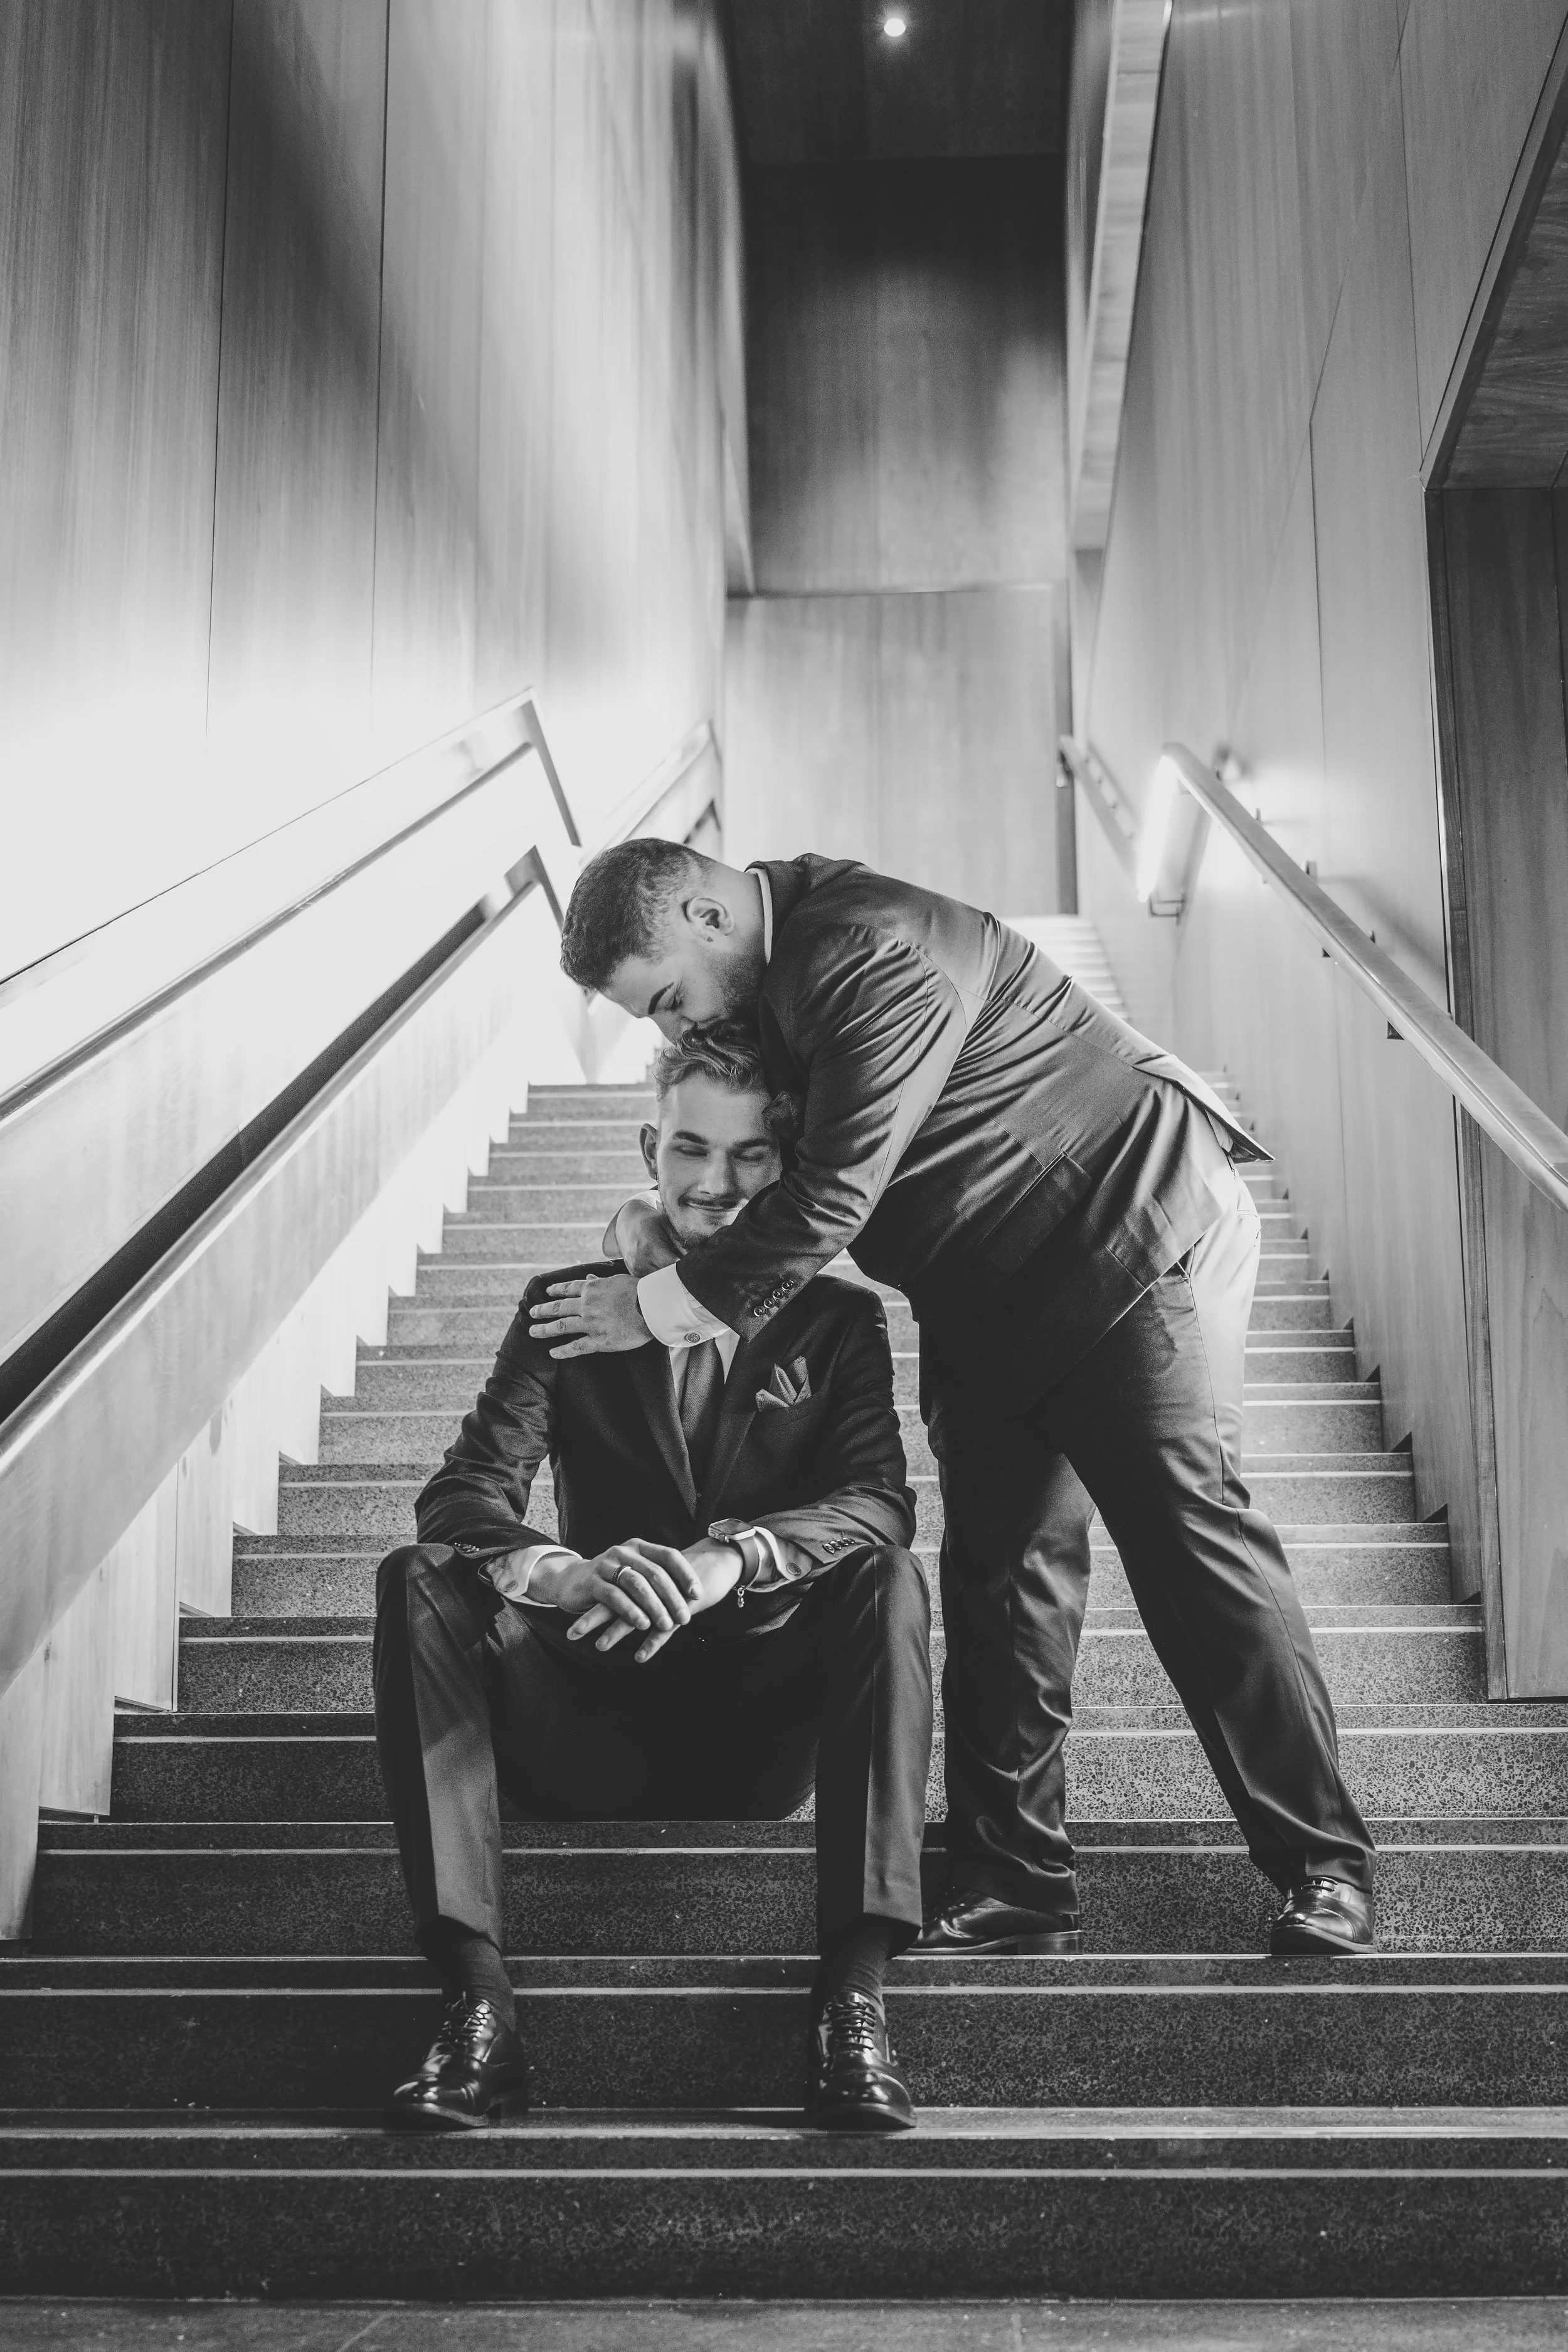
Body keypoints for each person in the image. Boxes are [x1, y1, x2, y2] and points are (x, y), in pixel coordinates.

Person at [534, 844, 1377, 1966]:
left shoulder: (864, 946)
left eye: (667, 998)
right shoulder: (772, 981)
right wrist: (646, 1225)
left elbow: (831, 1192)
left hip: (1118, 1217)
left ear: (706, 912)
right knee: (999, 1572)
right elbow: (744, 1149)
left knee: (1190, 1539)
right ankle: (1013, 1875)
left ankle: (1325, 1862)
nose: (672, 1026)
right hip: (984, 1287)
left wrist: (661, 1307)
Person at [373, 1022, 932, 2132]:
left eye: (751, 1155)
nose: (716, 1182)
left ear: (791, 1164)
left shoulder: (838, 1320)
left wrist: (734, 1556)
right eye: (690, 1148)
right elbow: (466, 1492)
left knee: (890, 1576)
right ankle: (477, 2006)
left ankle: (854, 2001)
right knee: (419, 1573)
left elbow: (878, 1499)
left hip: (756, 1730)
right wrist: (563, 1573)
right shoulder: (568, 1305)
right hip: (581, 1716)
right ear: (648, 1149)